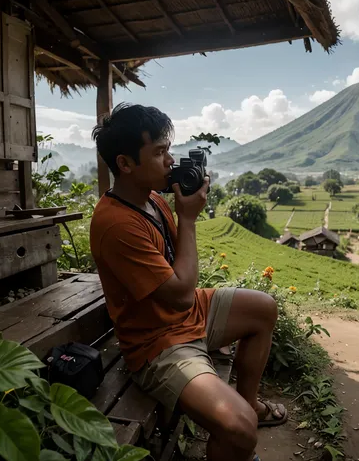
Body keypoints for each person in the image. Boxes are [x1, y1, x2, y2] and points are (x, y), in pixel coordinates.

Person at [90, 103, 287, 461]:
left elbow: (179, 270)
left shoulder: (150, 198)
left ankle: (249, 404)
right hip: (158, 343)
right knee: (238, 428)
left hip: (185, 313)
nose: (170, 161)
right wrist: (189, 219)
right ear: (125, 163)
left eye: (169, 150)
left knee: (264, 308)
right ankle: (239, 431)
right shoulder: (117, 224)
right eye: (160, 152)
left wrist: (183, 213)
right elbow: (180, 295)